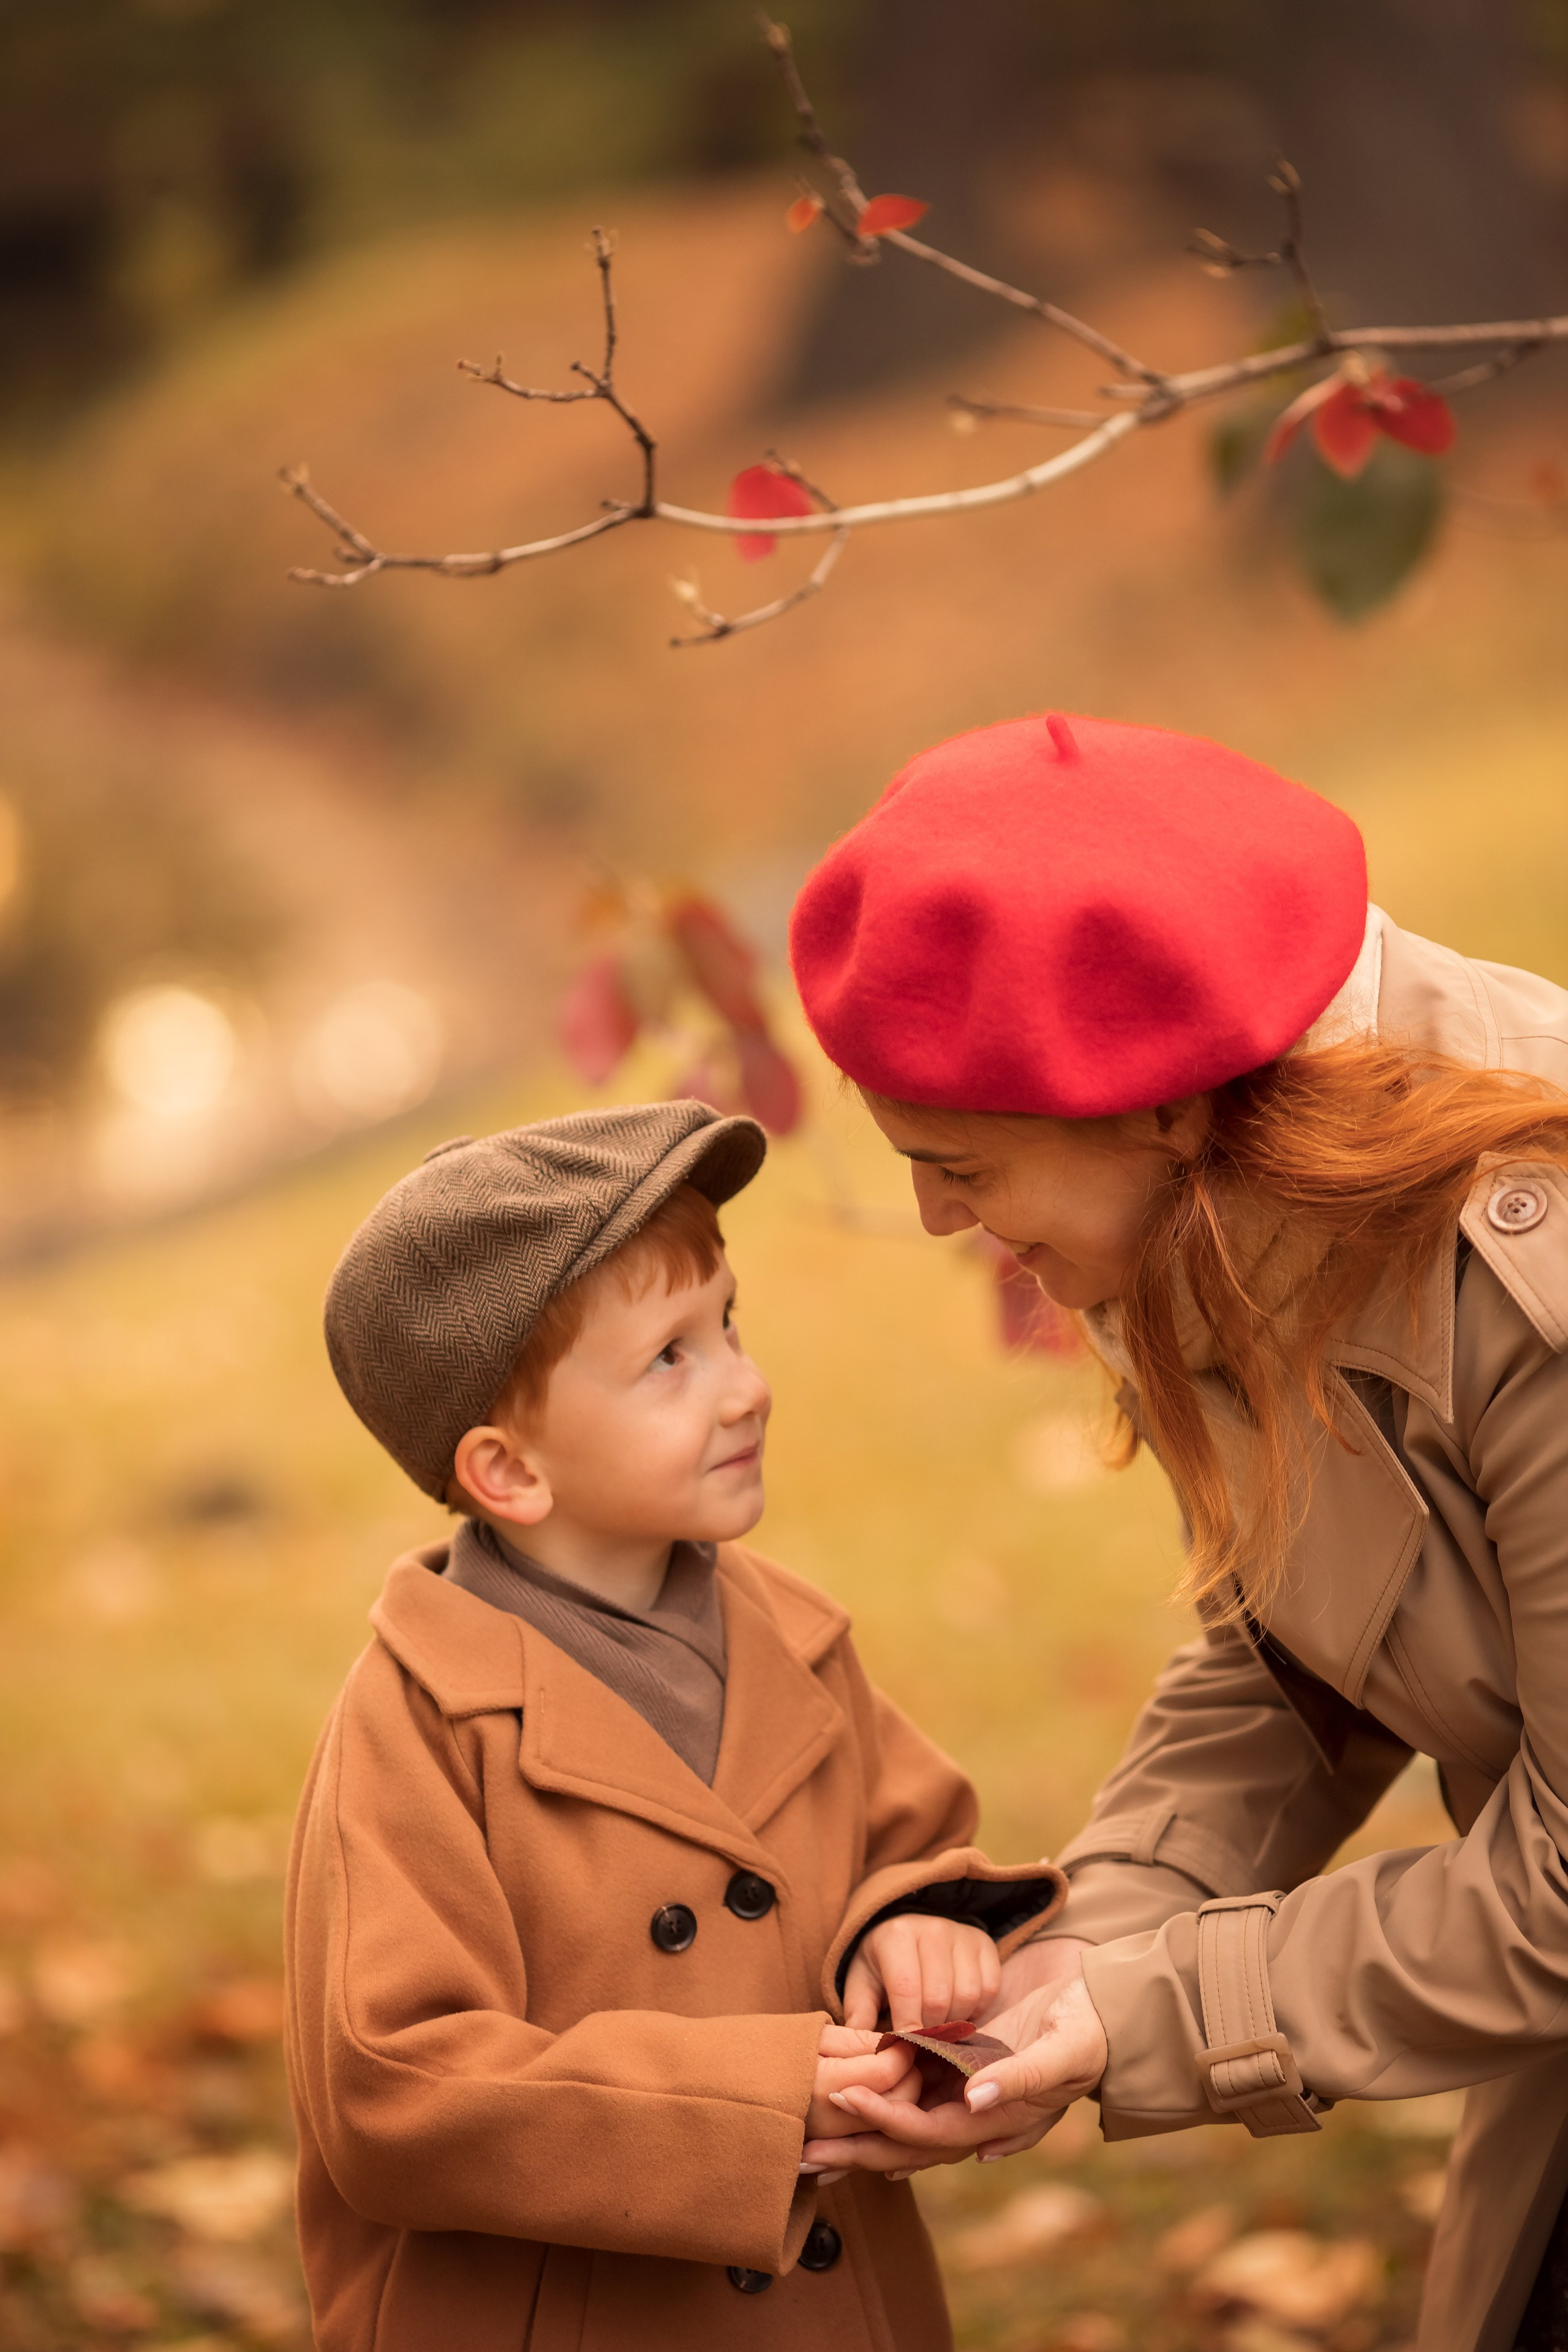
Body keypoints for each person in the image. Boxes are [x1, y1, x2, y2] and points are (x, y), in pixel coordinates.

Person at [786, 710, 1568, 2352]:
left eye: (959, 1166)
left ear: (1156, 1105)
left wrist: (1142, 2016)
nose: (936, 1219)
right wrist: (1081, 1957)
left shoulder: (1532, 1271)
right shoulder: (1214, 1204)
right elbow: (1300, 1648)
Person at [285, 1101, 1063, 2352]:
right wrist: (746, 2101)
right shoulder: (419, 1724)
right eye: (670, 1359)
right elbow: (393, 2086)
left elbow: (906, 1837)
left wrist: (916, 1922)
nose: (746, 1387)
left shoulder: (789, 1637)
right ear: (510, 1473)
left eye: (730, 1325)